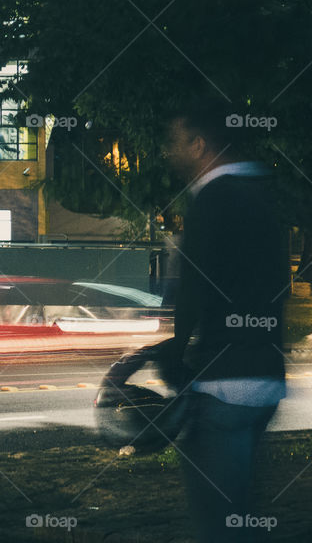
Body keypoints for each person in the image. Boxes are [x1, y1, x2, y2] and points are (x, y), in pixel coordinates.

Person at [160, 102, 288, 542]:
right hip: (266, 378)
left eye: (176, 140)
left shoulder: (211, 199)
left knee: (218, 520)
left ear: (200, 144)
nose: (169, 151)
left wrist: (175, 354)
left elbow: (193, 290)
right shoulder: (263, 197)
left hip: (222, 383)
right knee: (241, 511)